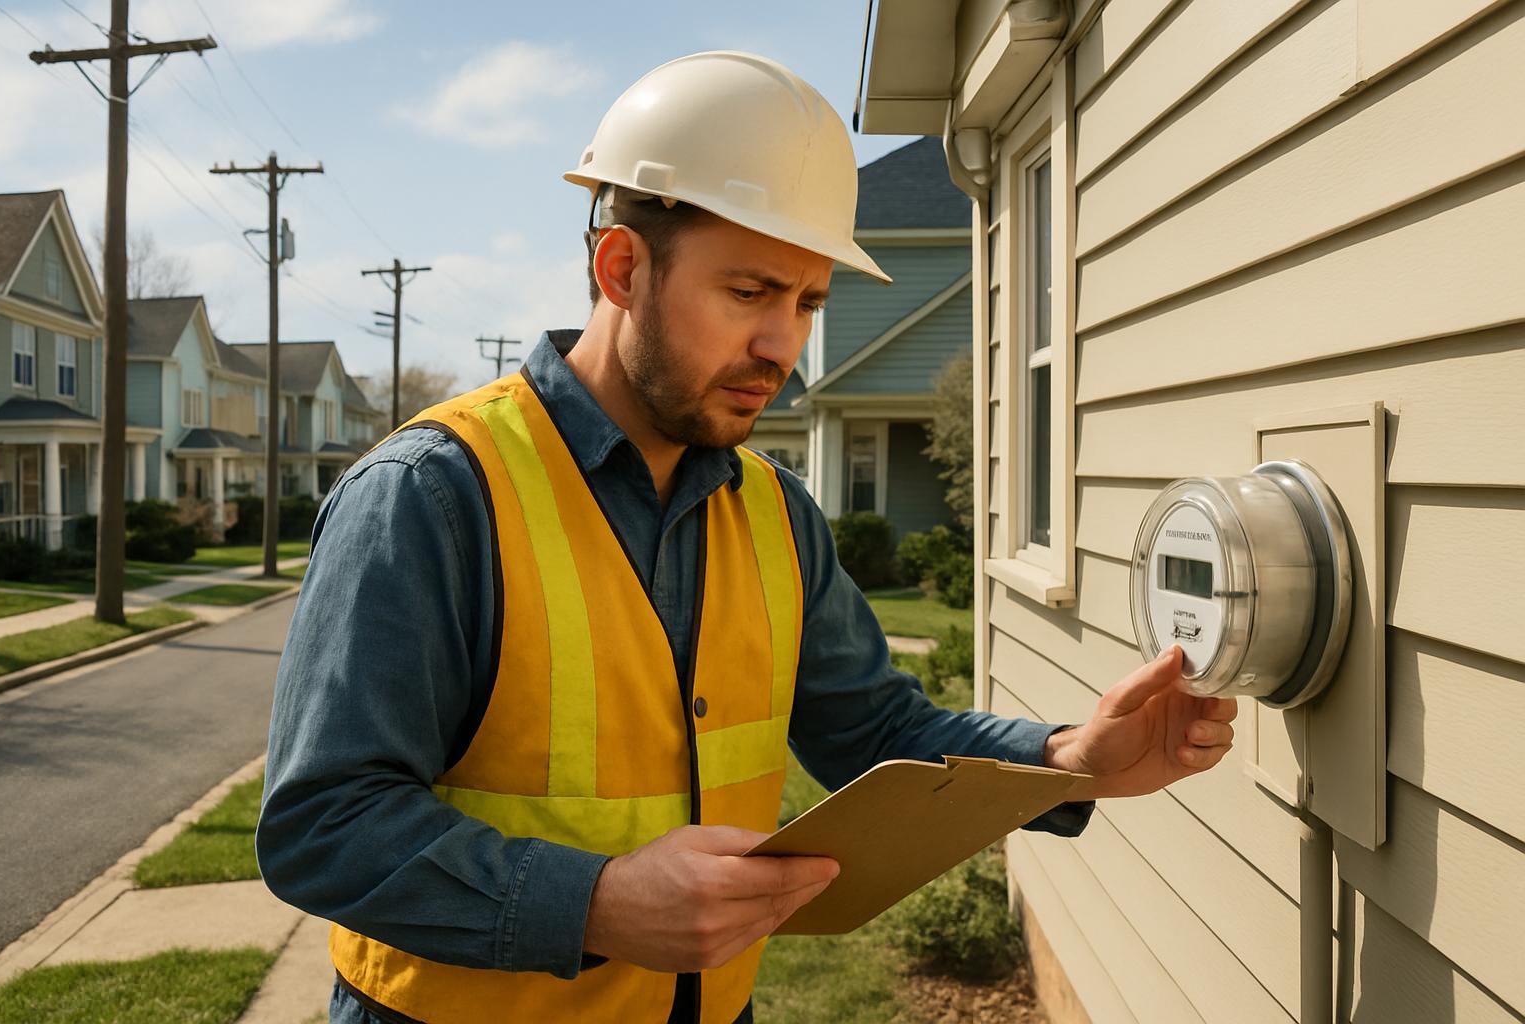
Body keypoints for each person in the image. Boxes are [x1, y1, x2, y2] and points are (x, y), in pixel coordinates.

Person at [257, 50, 1236, 1024]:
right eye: (749, 292)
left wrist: (1066, 759)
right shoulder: (431, 496)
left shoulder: (774, 512)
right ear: (622, 268)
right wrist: (594, 902)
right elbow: (322, 825)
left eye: (807, 301)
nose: (783, 344)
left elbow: (882, 737)